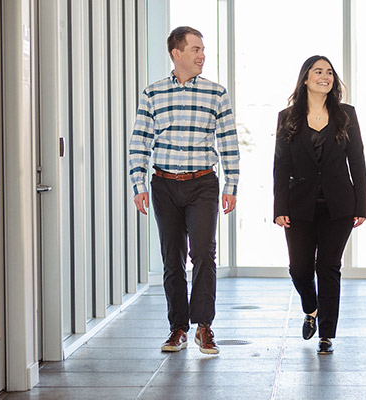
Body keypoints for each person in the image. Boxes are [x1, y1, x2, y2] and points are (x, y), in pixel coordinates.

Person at [128, 26, 239, 355]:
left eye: (203, 49)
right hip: (163, 185)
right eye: (195, 49)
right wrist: (138, 184)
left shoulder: (216, 93)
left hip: (203, 183)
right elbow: (139, 143)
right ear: (176, 53)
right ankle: (177, 328)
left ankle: (204, 326)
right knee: (171, 259)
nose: (202, 54)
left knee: (204, 254)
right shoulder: (153, 94)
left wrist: (231, 185)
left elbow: (229, 142)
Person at [273, 55, 366, 354]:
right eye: (318, 72)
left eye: (329, 72)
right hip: (299, 204)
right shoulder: (287, 117)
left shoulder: (346, 115)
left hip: (339, 205)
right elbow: (280, 164)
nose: (325, 76)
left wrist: (362, 205)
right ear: (305, 79)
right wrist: (279, 207)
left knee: (328, 267)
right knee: (299, 269)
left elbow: (358, 161)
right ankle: (310, 308)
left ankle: (326, 333)